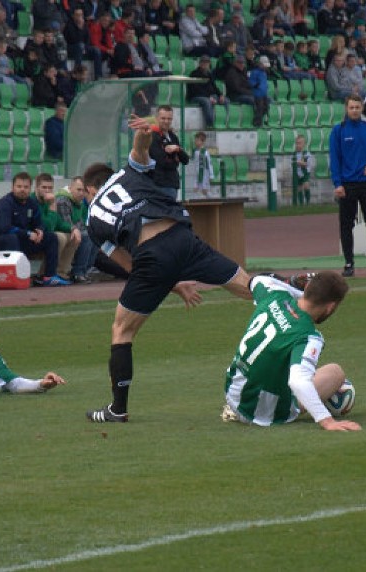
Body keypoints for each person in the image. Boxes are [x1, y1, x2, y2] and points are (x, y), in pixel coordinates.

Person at [83, 115, 253, 423]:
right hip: (182, 237)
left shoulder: (92, 220)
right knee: (245, 284)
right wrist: (145, 134)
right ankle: (300, 289)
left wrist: (169, 283)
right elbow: (140, 151)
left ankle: (117, 409)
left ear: (89, 189)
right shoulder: (127, 173)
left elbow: (130, 266)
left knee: (122, 330)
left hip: (151, 255)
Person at [221, 273, 361, 431]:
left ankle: (234, 408)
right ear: (330, 307)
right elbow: (298, 381)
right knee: (335, 373)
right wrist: (326, 420)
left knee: (284, 359)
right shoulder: (308, 336)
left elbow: (258, 280)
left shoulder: (274, 295)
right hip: (261, 412)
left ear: (307, 288)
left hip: (233, 391)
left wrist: (302, 293)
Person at [329, 95, 366, 278]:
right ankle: (349, 264)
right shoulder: (339, 131)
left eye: (357, 107)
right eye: (351, 107)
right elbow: (335, 159)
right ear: (346, 109)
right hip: (348, 185)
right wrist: (338, 184)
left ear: (362, 109)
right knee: (346, 226)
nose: (354, 110)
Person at [0, 172, 71, 287]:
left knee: (51, 237)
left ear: (30, 188)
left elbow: (39, 223)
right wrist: (28, 234)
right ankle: (19, 277)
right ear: (12, 187)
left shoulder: (31, 203)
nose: (22, 190)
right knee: (13, 238)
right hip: (0, 242)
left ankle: (49, 277)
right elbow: (6, 228)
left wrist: (39, 231)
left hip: (22, 240)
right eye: (19, 186)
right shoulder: (5, 203)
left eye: (26, 187)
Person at [32, 173, 79, 282]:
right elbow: (48, 227)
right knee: (59, 237)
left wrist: (73, 228)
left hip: (45, 236)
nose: (47, 191)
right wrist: (53, 204)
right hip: (34, 237)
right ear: (37, 188)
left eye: (50, 188)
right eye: (44, 187)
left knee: (73, 237)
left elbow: (59, 223)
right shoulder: (33, 201)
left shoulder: (48, 200)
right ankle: (43, 274)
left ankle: (61, 273)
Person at [55, 176, 96, 283]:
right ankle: (78, 273)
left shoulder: (79, 202)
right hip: (62, 231)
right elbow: (66, 223)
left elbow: (81, 223)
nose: (81, 193)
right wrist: (79, 229)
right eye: (78, 190)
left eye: (83, 190)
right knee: (86, 236)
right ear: (70, 188)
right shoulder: (62, 200)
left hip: (73, 231)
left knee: (94, 236)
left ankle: (84, 271)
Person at [148, 105, 190, 200]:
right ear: (156, 118)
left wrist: (177, 149)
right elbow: (161, 160)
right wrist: (174, 160)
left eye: (169, 119)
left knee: (169, 214)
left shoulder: (173, 136)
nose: (166, 121)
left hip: (172, 184)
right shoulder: (152, 136)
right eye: (163, 118)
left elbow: (185, 160)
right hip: (157, 184)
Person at [187, 54, 227, 127]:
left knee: (226, 100)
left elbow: (214, 87)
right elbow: (196, 90)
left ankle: (225, 122)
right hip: (196, 97)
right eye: (203, 62)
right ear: (200, 63)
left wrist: (220, 95)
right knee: (206, 101)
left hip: (209, 96)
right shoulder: (194, 73)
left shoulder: (209, 74)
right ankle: (210, 124)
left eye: (207, 62)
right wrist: (209, 97)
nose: (205, 64)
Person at [291, 134, 314, 205]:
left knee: (306, 185)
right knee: (299, 188)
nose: (298, 145)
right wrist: (297, 163)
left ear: (304, 144)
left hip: (305, 172)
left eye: (300, 143)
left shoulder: (306, 153)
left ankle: (308, 202)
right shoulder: (294, 154)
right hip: (297, 173)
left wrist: (299, 163)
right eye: (297, 143)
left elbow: (307, 164)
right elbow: (292, 163)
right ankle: (301, 203)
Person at [192, 131, 214, 198]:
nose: (195, 142)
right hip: (196, 173)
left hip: (204, 174)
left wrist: (211, 175)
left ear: (202, 142)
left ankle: (212, 201)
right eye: (195, 140)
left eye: (197, 140)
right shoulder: (195, 151)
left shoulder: (205, 152)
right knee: (196, 189)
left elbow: (209, 164)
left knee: (205, 190)